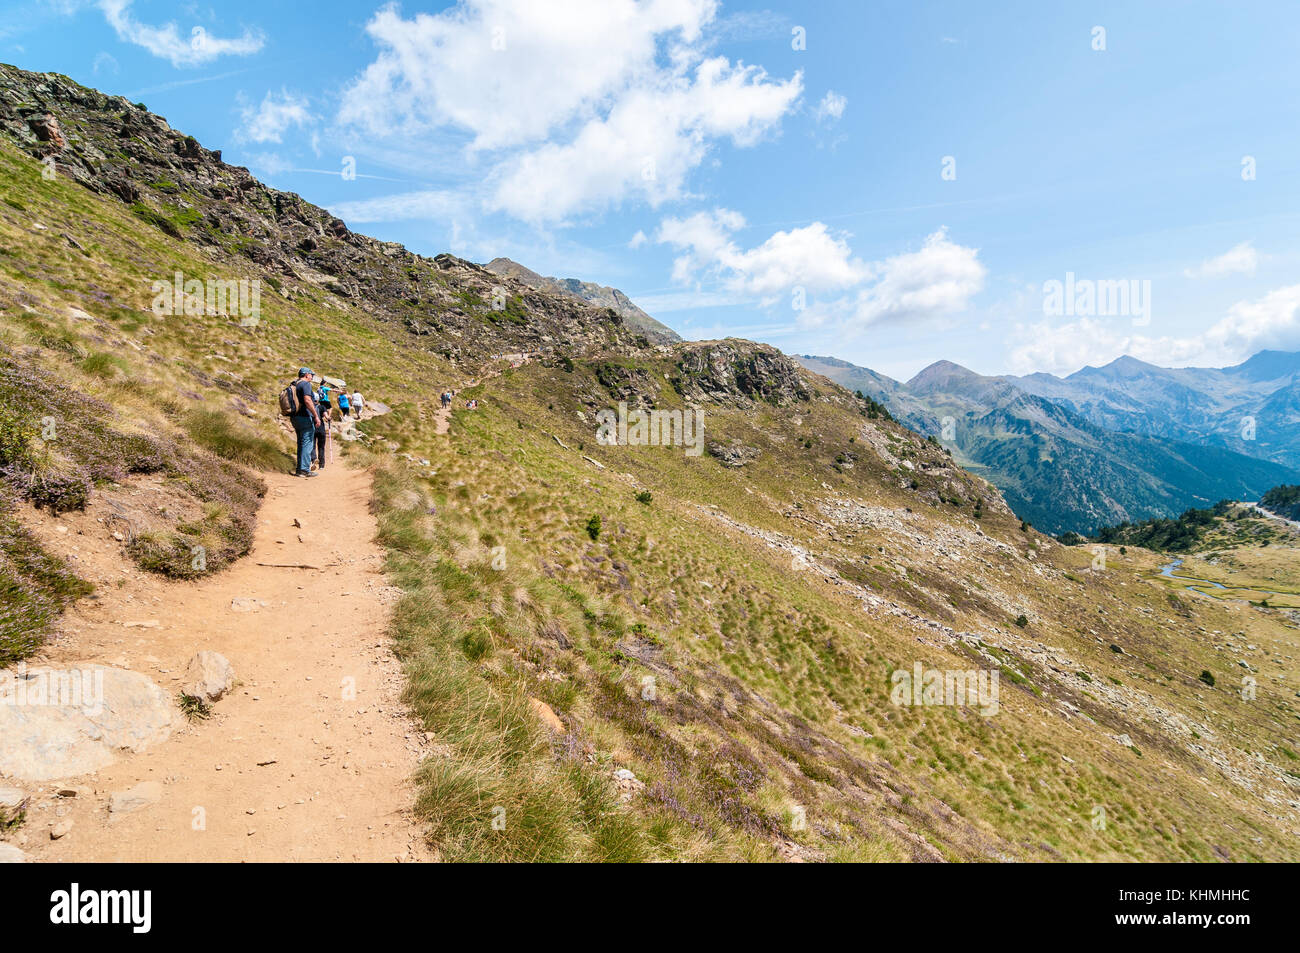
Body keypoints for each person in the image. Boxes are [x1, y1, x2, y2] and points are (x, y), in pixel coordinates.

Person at [290, 367, 321, 478]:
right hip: (305, 417)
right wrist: (316, 416)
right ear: (306, 374)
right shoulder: (306, 384)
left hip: (295, 417)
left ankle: (300, 469)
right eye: (311, 374)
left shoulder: (294, 384)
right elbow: (307, 400)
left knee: (301, 443)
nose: (312, 377)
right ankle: (304, 470)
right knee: (307, 443)